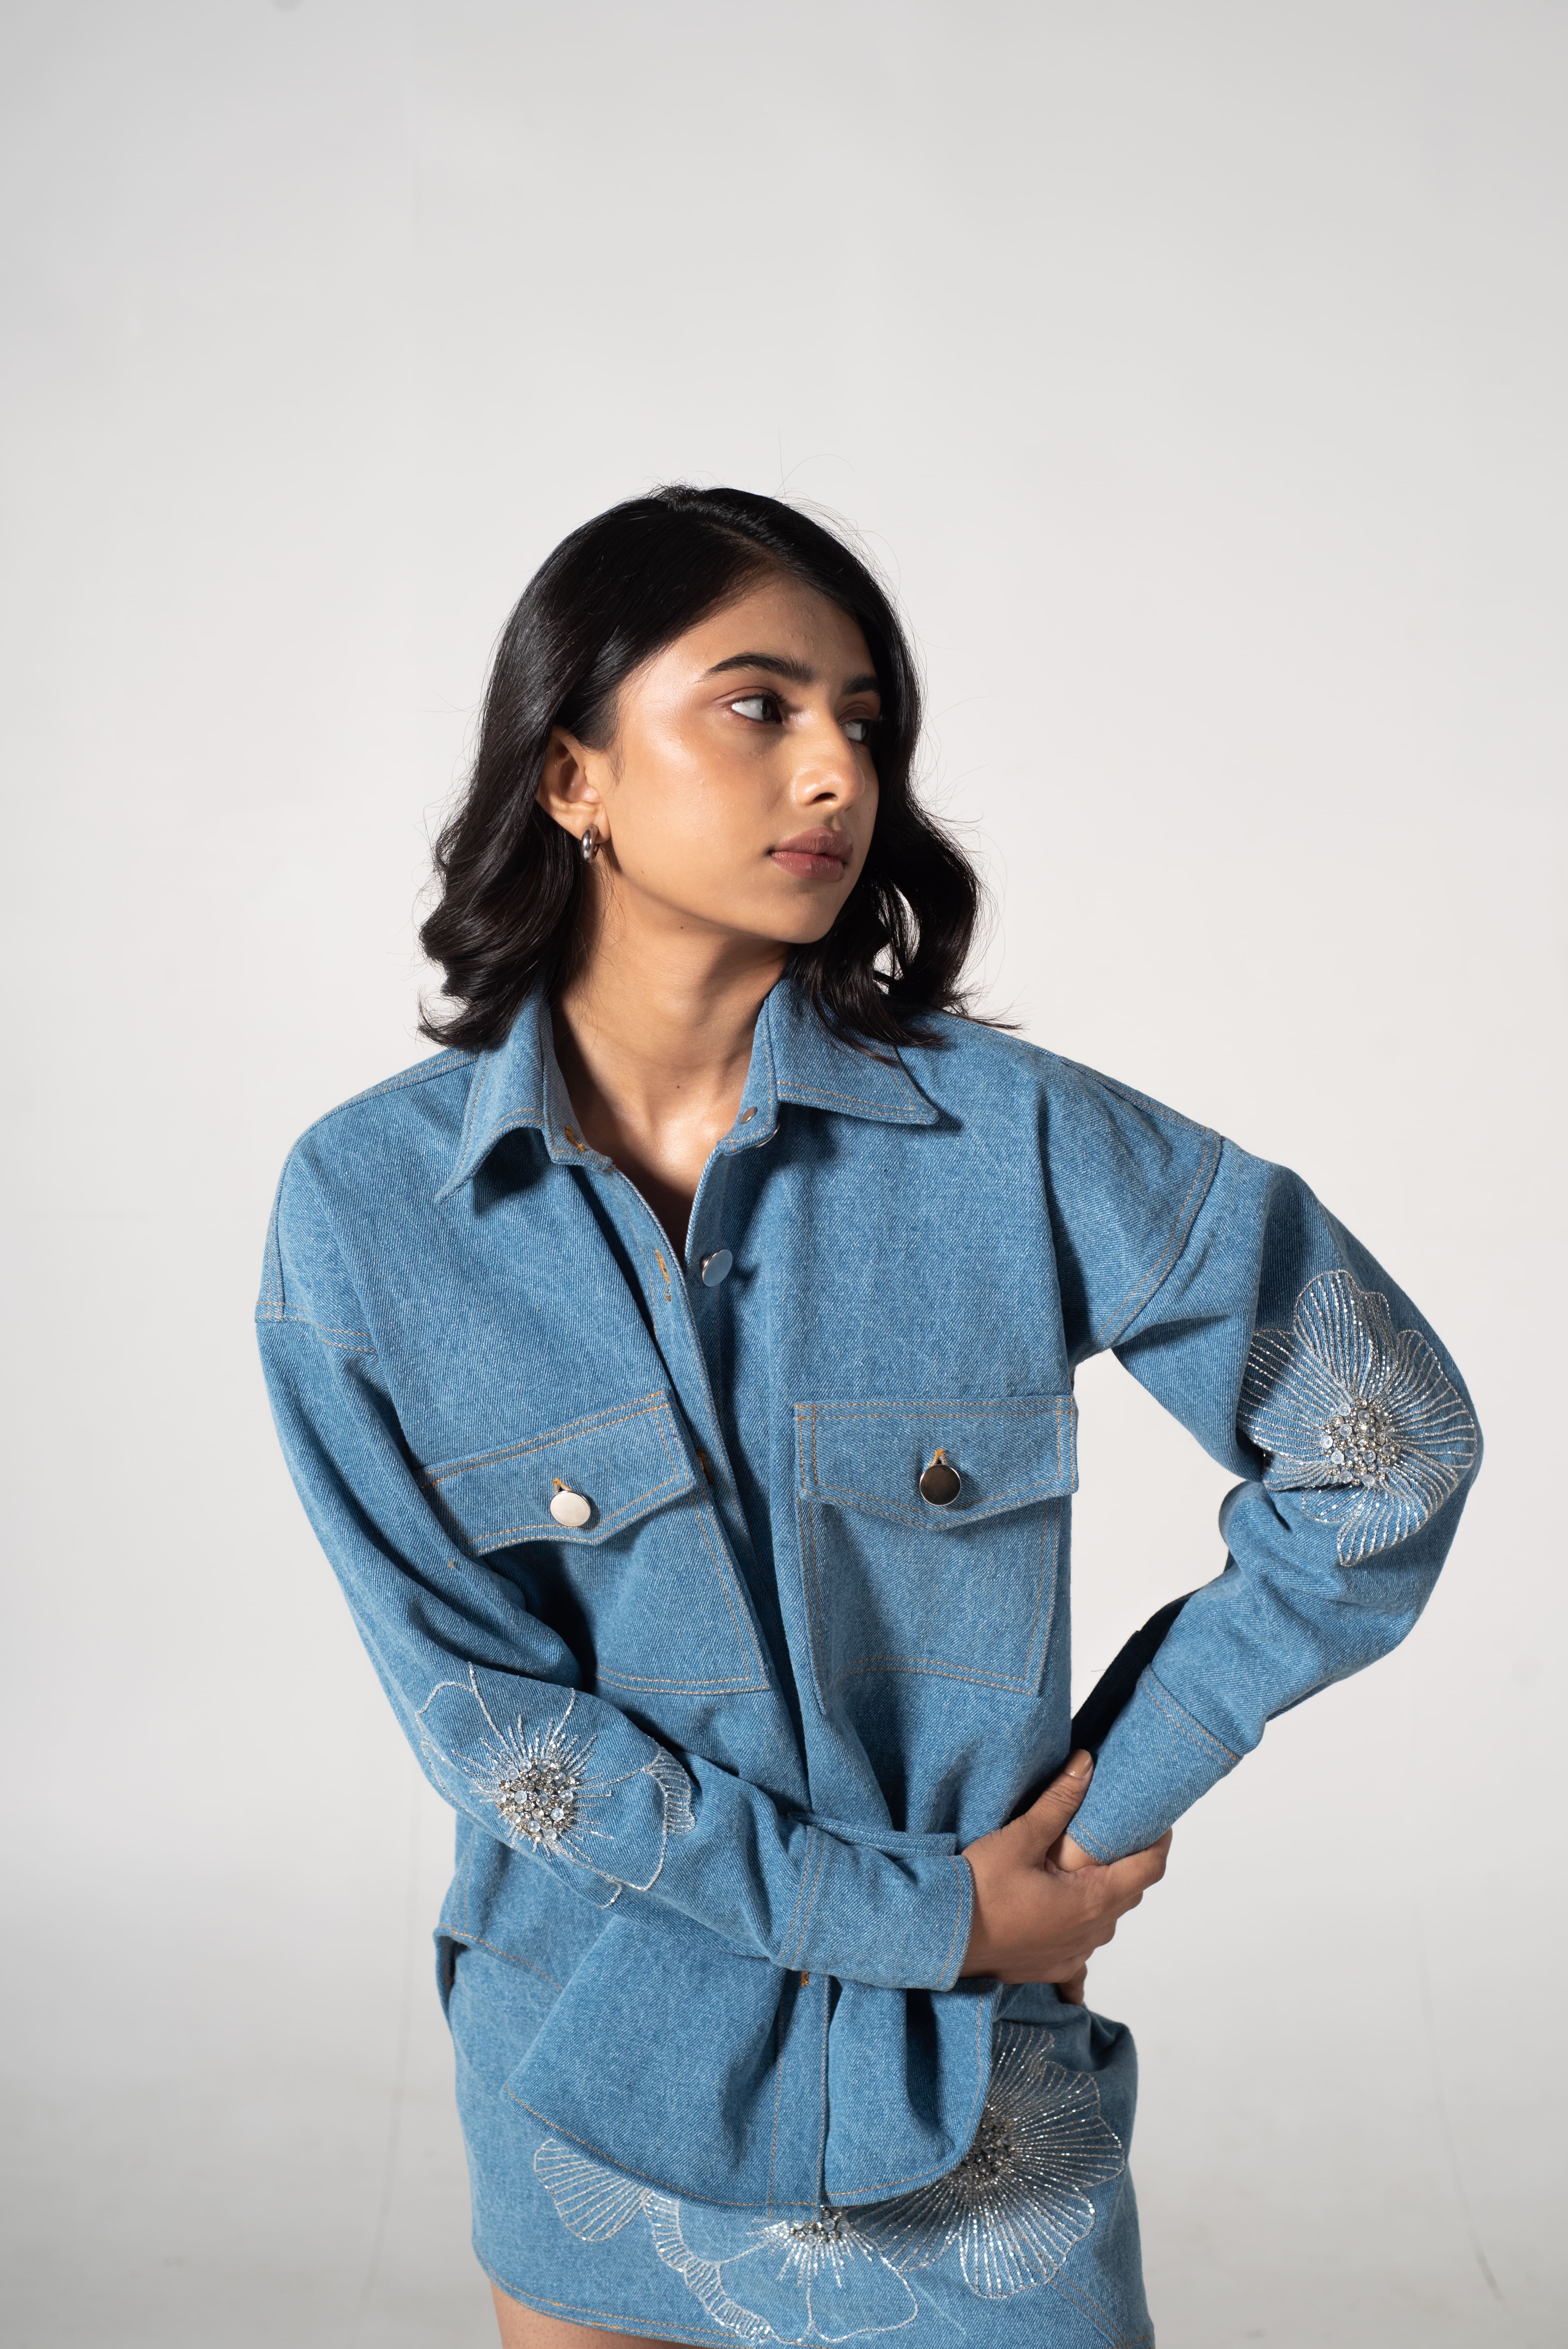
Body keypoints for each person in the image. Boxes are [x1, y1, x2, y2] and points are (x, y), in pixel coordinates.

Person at [257, 486, 1481, 2349]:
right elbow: (490, 1724)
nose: (836, 769)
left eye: (862, 718)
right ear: (573, 774)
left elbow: (1381, 1445)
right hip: (592, 2061)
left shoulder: (1018, 1139)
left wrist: (1097, 1813)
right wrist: (922, 1914)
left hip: (967, 2093)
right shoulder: (365, 1211)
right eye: (757, 705)